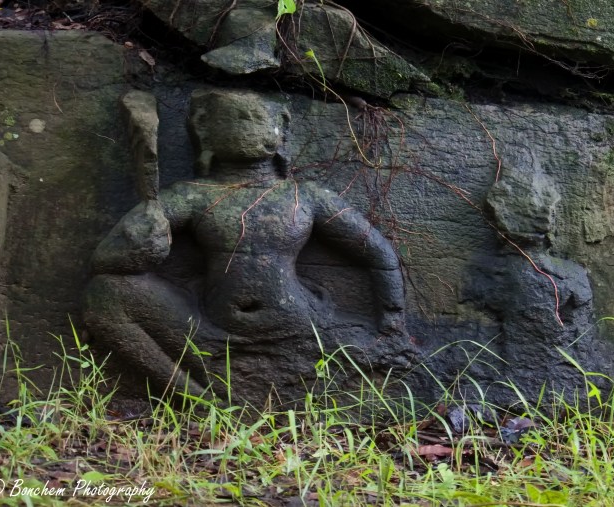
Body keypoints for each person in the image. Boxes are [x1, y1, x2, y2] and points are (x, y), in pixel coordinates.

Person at [84, 90, 406, 396]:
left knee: (367, 347)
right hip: (208, 324)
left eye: (253, 118)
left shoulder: (304, 196)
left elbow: (378, 254)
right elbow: (105, 260)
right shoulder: (191, 194)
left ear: (281, 132)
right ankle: (193, 395)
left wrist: (392, 320)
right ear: (204, 132)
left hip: (299, 324)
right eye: (233, 118)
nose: (244, 128)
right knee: (105, 293)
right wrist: (140, 249)